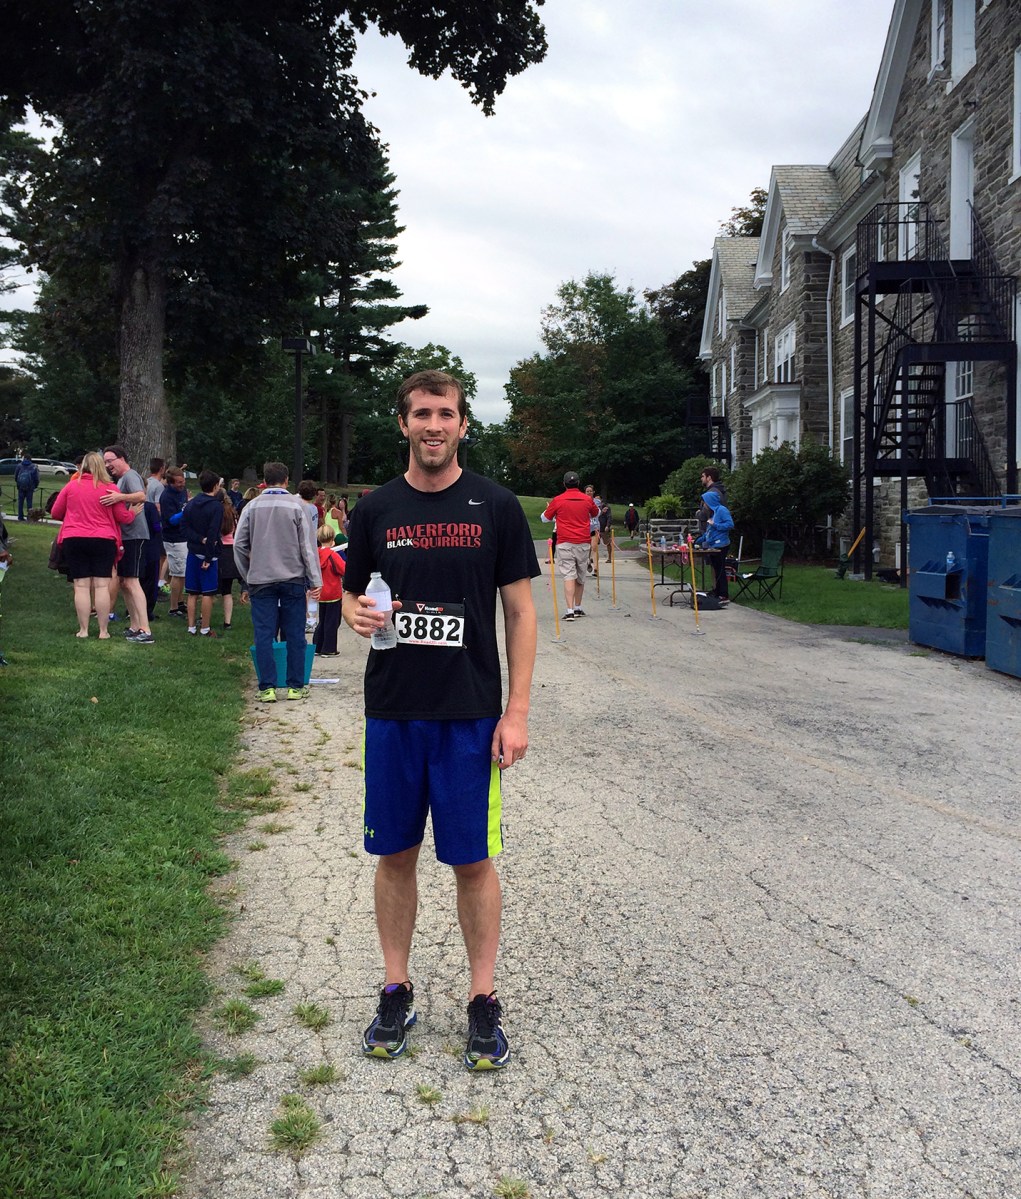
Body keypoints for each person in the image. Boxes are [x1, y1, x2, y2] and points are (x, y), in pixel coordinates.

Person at [342, 368, 539, 1071]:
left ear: (462, 424)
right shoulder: (375, 509)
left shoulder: (496, 505)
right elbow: (351, 594)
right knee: (394, 854)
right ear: (403, 423)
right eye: (422, 413)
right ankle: (396, 989)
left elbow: (520, 612)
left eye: (445, 414)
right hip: (394, 711)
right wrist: (355, 614)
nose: (434, 425)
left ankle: (482, 999)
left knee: (472, 860)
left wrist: (516, 712)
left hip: (469, 714)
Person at [234, 461, 321, 702]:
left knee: (264, 633)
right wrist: (315, 579)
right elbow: (308, 547)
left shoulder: (251, 506)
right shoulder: (297, 506)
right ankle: (295, 686)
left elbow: (239, 545)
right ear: (286, 480)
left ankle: (267, 687)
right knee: (295, 633)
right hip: (293, 578)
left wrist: (247, 575)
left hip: (260, 579)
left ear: (264, 480)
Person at [49, 451, 137, 638]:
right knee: (101, 585)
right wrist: (133, 513)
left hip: (74, 538)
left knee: (81, 586)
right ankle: (103, 631)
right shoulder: (110, 488)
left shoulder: (72, 486)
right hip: (104, 539)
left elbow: (56, 512)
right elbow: (122, 517)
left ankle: (84, 630)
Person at [101, 445, 153, 642]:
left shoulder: (130, 475)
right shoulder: (121, 479)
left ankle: (146, 630)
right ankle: (135, 626)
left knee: (132, 581)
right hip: (125, 536)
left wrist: (119, 497)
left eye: (110, 461)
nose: (108, 465)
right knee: (123, 582)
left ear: (121, 458)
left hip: (135, 536)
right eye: (105, 462)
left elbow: (141, 496)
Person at [541, 472, 598, 621]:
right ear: (578, 483)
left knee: (568, 575)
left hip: (564, 542)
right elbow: (596, 513)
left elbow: (544, 518)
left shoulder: (558, 500)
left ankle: (570, 610)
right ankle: (578, 607)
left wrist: (551, 511)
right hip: (583, 541)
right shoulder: (587, 499)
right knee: (580, 575)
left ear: (564, 484)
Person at [181, 469, 223, 637]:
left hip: (193, 551)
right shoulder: (216, 506)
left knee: (192, 592)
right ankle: (205, 627)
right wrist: (208, 556)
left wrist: (198, 539)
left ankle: (191, 627)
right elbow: (213, 532)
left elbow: (184, 527)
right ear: (215, 486)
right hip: (208, 554)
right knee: (208, 592)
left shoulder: (191, 504)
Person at [694, 489, 734, 604]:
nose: (704, 505)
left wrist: (715, 524)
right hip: (713, 545)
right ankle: (717, 591)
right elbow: (708, 532)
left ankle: (724, 594)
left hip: (721, 544)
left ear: (710, 501)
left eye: (705, 502)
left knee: (720, 569)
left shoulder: (722, 510)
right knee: (716, 569)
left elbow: (729, 524)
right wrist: (696, 541)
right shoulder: (714, 513)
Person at [160, 467, 189, 617]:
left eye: (183, 481)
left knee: (183, 572)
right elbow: (171, 520)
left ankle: (180, 601)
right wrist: (186, 511)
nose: (182, 484)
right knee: (177, 573)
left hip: (183, 536)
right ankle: (173, 607)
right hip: (173, 539)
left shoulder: (182, 492)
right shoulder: (166, 497)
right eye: (178, 482)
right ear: (171, 483)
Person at [313, 523, 345, 656]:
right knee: (332, 621)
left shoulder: (316, 555)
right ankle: (329, 648)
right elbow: (343, 569)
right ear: (333, 538)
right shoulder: (333, 555)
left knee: (323, 620)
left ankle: (317, 646)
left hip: (321, 593)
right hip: (333, 593)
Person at [217, 492, 239, 630]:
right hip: (231, 550)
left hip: (219, 548)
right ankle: (227, 622)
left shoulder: (217, 513)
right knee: (227, 590)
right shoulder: (232, 514)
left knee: (210, 590)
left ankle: (203, 617)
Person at [15, 455, 39, 521]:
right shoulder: (33, 467)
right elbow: (36, 478)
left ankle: (20, 517)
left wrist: (18, 483)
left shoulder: (19, 466)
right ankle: (29, 517)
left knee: (20, 503)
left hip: (21, 487)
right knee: (29, 503)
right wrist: (35, 486)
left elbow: (16, 476)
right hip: (30, 487)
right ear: (30, 459)